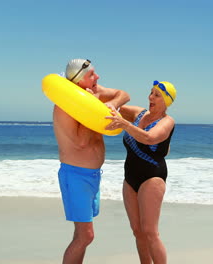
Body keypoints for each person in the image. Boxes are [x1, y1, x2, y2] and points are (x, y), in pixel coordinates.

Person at [53, 58, 130, 264]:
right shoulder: (65, 107)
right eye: (92, 75)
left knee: (85, 235)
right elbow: (81, 143)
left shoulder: (95, 91)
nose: (97, 77)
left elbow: (124, 95)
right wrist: (90, 108)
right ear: (79, 82)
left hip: (93, 176)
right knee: (85, 235)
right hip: (76, 175)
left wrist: (111, 104)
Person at [105, 80, 176, 264]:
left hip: (152, 177)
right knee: (137, 231)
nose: (150, 97)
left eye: (156, 95)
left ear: (166, 101)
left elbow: (149, 138)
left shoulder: (167, 122)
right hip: (130, 177)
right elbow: (113, 105)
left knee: (150, 232)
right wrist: (92, 93)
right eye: (151, 93)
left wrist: (124, 124)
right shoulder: (139, 113)